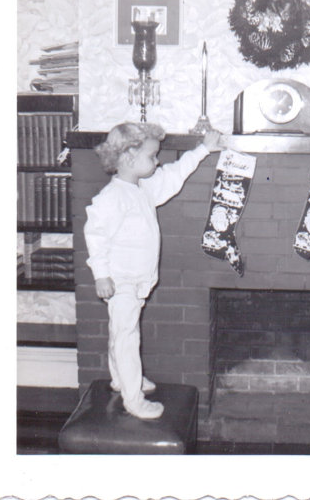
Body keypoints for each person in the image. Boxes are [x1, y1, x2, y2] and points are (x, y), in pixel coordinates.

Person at [84, 122, 222, 419]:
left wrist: (202, 150)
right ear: (128, 158)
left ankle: (121, 379)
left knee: (120, 331)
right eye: (152, 156)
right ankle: (133, 400)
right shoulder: (112, 197)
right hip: (120, 281)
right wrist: (101, 275)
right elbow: (95, 235)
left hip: (137, 280)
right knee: (126, 336)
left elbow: (173, 175)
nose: (157, 161)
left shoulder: (142, 188)